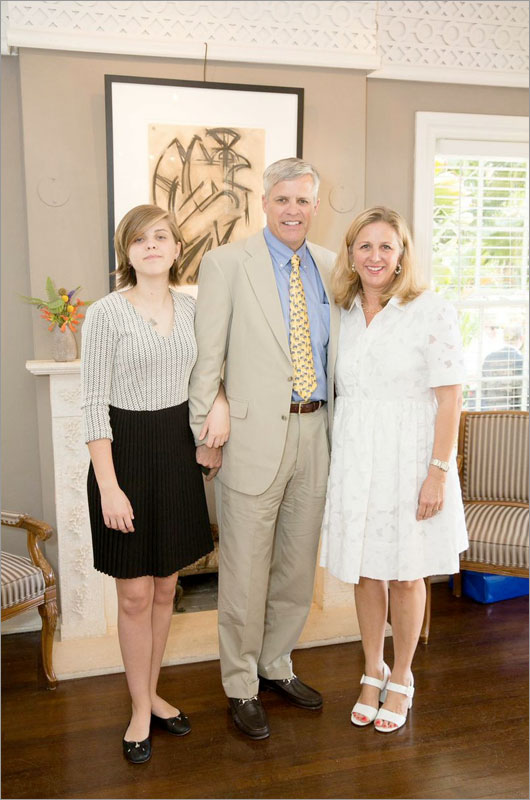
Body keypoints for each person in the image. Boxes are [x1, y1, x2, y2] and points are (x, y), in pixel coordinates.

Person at [188, 157, 340, 739]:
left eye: (303, 200)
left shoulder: (331, 268)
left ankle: (277, 664)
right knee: (246, 572)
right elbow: (208, 357)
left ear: (315, 206)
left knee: (296, 568)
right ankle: (241, 683)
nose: (293, 210)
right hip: (250, 439)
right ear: (264, 204)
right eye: (282, 199)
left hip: (315, 433)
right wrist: (208, 427)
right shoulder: (227, 264)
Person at [81, 204, 229, 763]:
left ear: (174, 248)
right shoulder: (104, 314)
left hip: (176, 453)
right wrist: (109, 487)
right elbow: (93, 404)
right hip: (123, 455)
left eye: (160, 237)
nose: (151, 247)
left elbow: (209, 371)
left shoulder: (192, 310)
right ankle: (139, 707)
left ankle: (154, 690)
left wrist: (216, 409)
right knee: (135, 591)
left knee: (167, 586)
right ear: (128, 251)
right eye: (139, 239)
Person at [320, 206, 468, 733]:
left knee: (407, 574)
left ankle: (401, 675)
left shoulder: (431, 308)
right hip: (358, 456)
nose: (376, 256)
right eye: (365, 246)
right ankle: (371, 668)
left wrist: (437, 472)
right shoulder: (344, 310)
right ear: (351, 254)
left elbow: (450, 401)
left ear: (402, 253)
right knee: (367, 571)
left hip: (412, 459)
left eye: (387, 246)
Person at [481, 324, 525, 409]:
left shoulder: (489, 358)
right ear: (522, 338)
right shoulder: (523, 361)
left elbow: (483, 390)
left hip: (491, 414)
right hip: (515, 416)